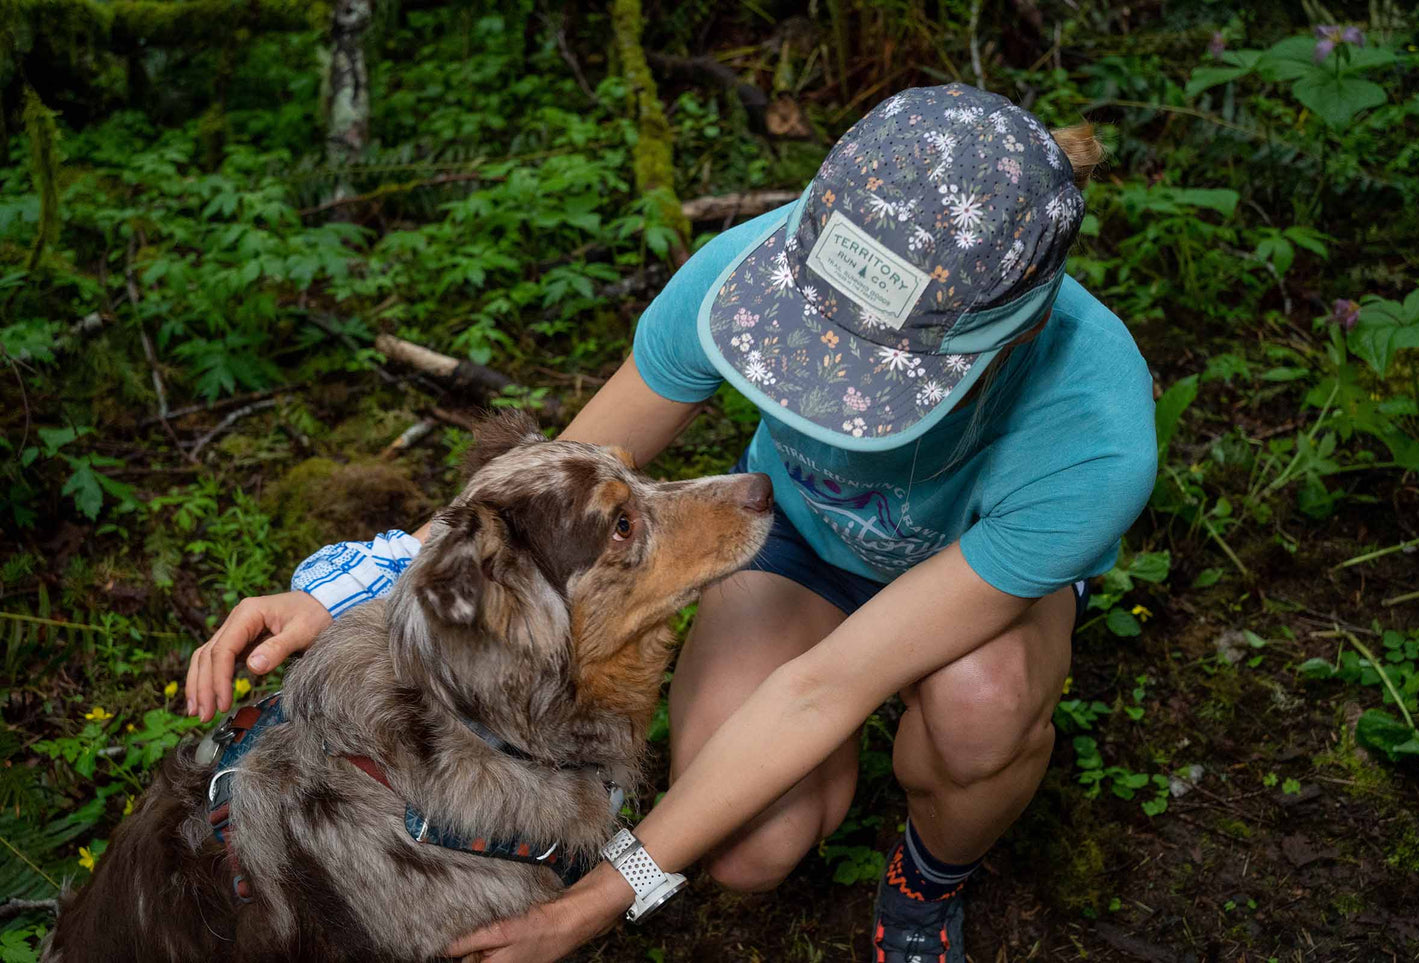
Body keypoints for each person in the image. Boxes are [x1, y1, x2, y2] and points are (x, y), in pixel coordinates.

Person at [186, 83, 1156, 962]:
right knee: (743, 849)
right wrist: (353, 589)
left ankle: (926, 879)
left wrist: (605, 897)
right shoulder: (747, 270)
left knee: (979, 705)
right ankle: (838, 782)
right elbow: (550, 486)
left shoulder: (1089, 438)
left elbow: (824, 688)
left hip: (970, 584)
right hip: (799, 542)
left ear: (1020, 326)